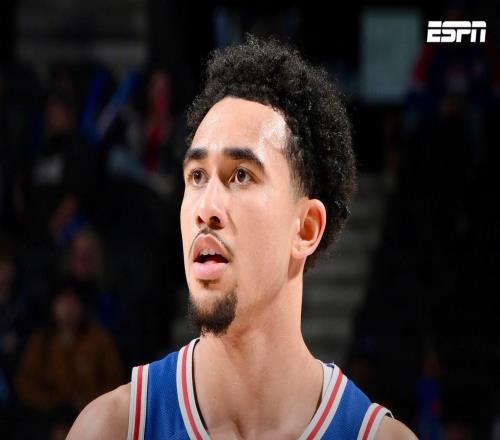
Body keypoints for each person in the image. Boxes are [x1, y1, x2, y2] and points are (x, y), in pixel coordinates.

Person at [68, 35, 417, 439]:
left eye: (240, 175)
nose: (206, 207)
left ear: (305, 228)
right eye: (197, 176)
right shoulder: (112, 427)